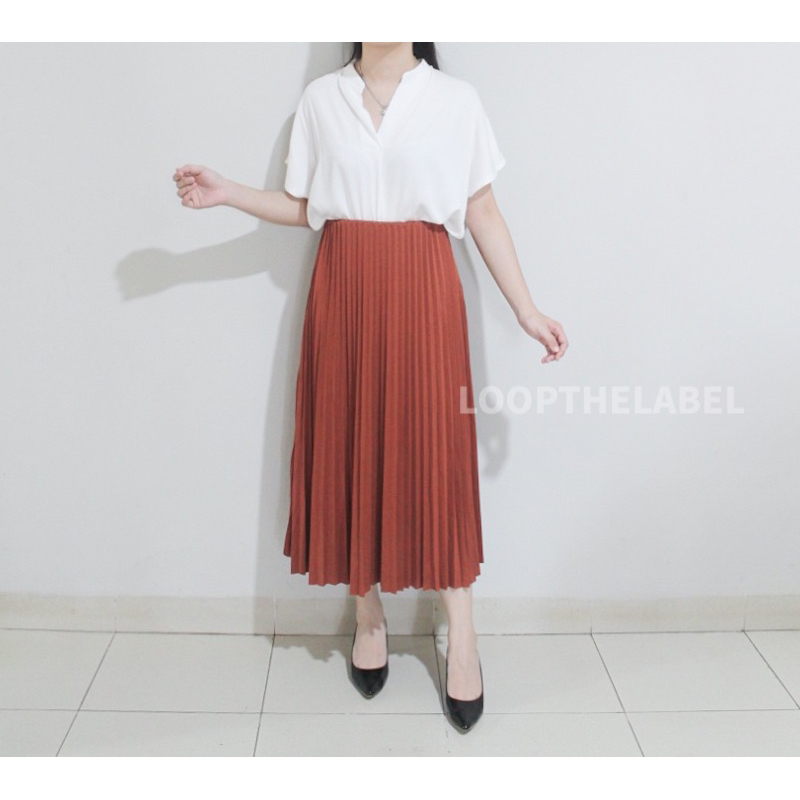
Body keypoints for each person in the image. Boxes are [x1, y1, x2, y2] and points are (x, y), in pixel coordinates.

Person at [172, 42, 568, 733]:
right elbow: (306, 206)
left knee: (435, 460)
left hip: (424, 288)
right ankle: (368, 612)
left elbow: (481, 211)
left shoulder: (455, 101)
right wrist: (229, 191)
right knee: (350, 444)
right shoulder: (322, 99)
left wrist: (527, 310)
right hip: (345, 288)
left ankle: (462, 635)